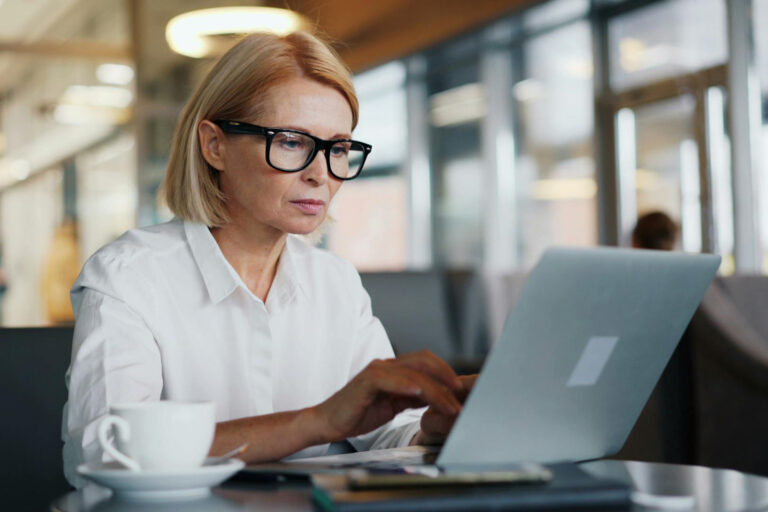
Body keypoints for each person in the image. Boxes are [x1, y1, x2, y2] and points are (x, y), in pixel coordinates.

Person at [62, 31, 474, 487]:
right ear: (214, 145)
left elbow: (387, 431)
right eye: (293, 142)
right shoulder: (129, 276)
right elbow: (106, 453)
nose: (321, 174)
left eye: (337, 148)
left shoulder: (333, 280)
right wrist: (318, 421)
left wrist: (437, 423)